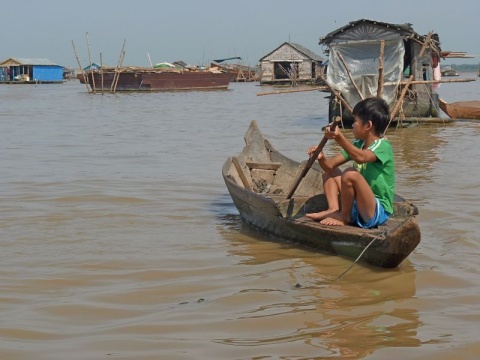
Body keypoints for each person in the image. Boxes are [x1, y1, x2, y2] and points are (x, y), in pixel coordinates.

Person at [306, 97, 394, 228]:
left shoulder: (383, 146)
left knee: (350, 174)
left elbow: (362, 157)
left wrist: (339, 137)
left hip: (376, 210)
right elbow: (329, 166)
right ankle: (333, 209)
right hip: (359, 204)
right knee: (329, 172)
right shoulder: (358, 144)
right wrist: (321, 158)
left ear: (368, 125)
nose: (352, 125)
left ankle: (344, 216)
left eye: (355, 121)